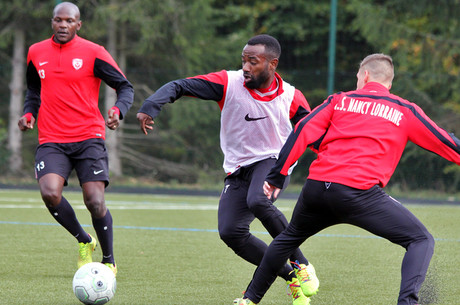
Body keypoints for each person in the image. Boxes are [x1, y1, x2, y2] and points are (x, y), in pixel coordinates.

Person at [234, 53, 460, 305]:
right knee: (420, 239)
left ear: (364, 76)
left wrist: (278, 175)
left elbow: (303, 130)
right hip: (359, 195)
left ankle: (249, 300)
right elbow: (446, 143)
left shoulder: (340, 100)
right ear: (389, 83)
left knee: (288, 239)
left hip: (317, 189)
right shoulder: (404, 110)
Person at [137, 34, 319, 304]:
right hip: (237, 168)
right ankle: (291, 276)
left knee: (257, 200)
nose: (245, 67)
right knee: (231, 232)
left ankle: (302, 264)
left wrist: (335, 157)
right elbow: (181, 85)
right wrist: (151, 106)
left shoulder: (291, 96)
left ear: (272, 64)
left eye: (253, 62)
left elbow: (312, 132)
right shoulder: (228, 83)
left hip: (272, 161)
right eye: (243, 60)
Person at [18, 2, 134, 276]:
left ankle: (108, 260)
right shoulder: (36, 52)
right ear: (52, 22)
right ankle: (84, 240)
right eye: (58, 20)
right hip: (51, 138)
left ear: (78, 25)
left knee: (94, 201)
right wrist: (28, 114)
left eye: (69, 21)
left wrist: (118, 110)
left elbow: (124, 86)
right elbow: (33, 89)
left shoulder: (94, 53)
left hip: (88, 137)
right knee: (49, 193)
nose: (62, 25)